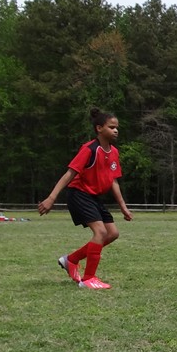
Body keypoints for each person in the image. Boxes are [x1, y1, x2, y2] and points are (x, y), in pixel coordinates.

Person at [37, 107, 133, 290]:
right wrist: (51, 198)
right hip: (79, 194)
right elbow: (69, 174)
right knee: (101, 232)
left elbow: (113, 180)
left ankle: (71, 260)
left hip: (94, 196)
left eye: (117, 128)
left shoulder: (114, 152)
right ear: (99, 128)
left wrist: (123, 207)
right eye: (111, 127)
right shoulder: (89, 149)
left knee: (112, 233)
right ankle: (88, 279)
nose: (116, 130)